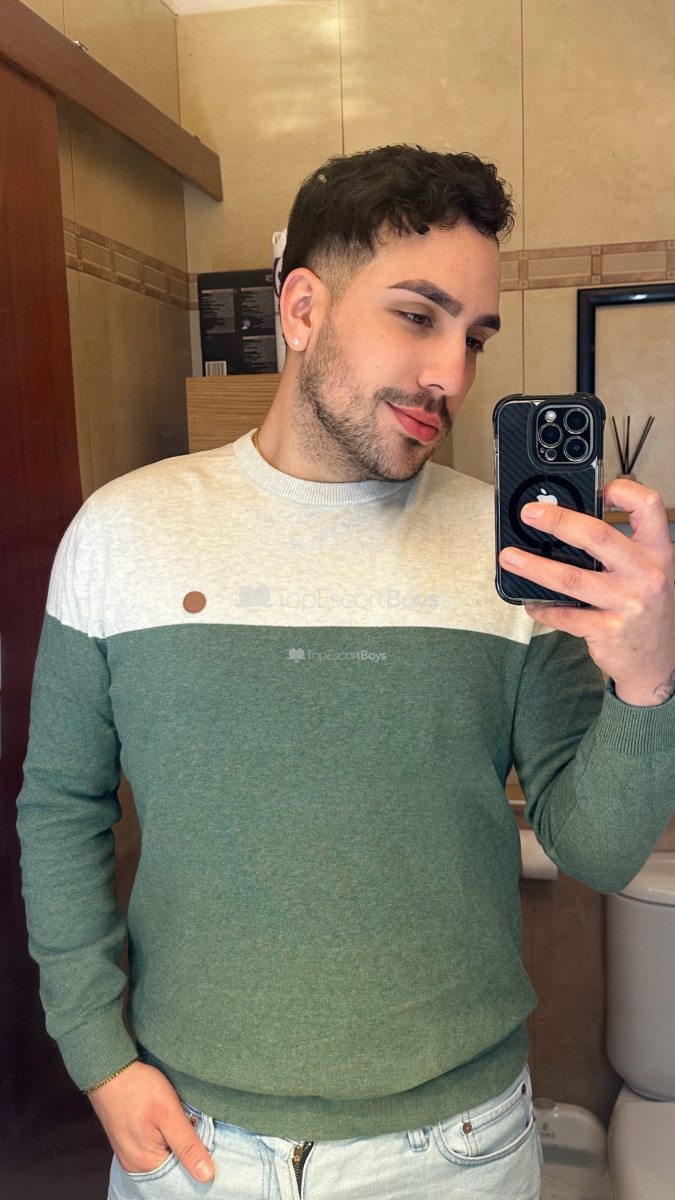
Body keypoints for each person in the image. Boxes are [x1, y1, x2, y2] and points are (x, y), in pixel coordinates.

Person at [17, 145, 675, 1200]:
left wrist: (649, 681)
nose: (452, 374)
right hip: (191, 1144)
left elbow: (593, 852)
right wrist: (96, 1055)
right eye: (417, 316)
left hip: (457, 1151)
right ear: (301, 308)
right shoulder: (122, 533)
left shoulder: (516, 560)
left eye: (474, 336)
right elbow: (61, 806)